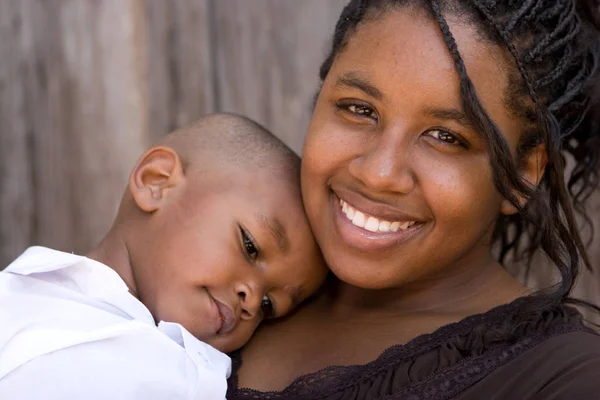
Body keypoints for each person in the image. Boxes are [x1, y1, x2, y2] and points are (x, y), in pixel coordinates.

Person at [227, 1, 600, 399]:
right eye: (359, 109)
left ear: (523, 173)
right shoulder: (221, 284)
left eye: (446, 137)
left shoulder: (564, 380)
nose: (378, 174)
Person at [0, 113, 327, 399]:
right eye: (250, 246)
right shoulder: (18, 291)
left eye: (269, 306)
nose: (252, 301)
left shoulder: (191, 375)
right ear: (156, 183)